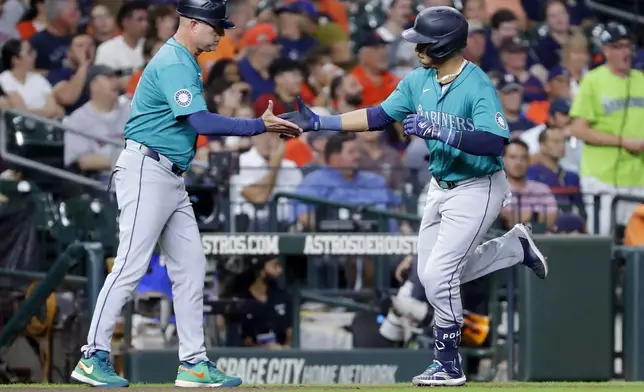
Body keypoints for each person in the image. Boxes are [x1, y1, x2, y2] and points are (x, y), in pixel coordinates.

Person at [279, 7, 548, 386]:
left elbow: (495, 140)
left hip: (478, 185)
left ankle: (448, 363)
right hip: (439, 186)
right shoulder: (418, 80)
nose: (416, 47)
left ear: (443, 44)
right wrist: (322, 122)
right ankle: (513, 249)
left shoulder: (477, 84)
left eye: (423, 41)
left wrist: (442, 133)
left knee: (439, 276)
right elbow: (378, 116)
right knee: (431, 274)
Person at [70, 0, 301, 388]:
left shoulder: (186, 60)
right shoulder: (176, 61)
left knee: (192, 267)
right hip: (147, 169)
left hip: (170, 175)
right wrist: (257, 126)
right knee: (129, 265)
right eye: (214, 26)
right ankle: (92, 355)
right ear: (194, 24)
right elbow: (198, 120)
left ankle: (193, 363)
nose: (221, 33)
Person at [569, 22, 644, 235]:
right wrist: (623, 141)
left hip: (638, 177)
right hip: (601, 178)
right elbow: (578, 129)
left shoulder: (641, 80)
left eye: (628, 46)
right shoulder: (593, 81)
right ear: (606, 50)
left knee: (636, 245)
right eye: (618, 46)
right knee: (603, 241)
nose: (625, 52)